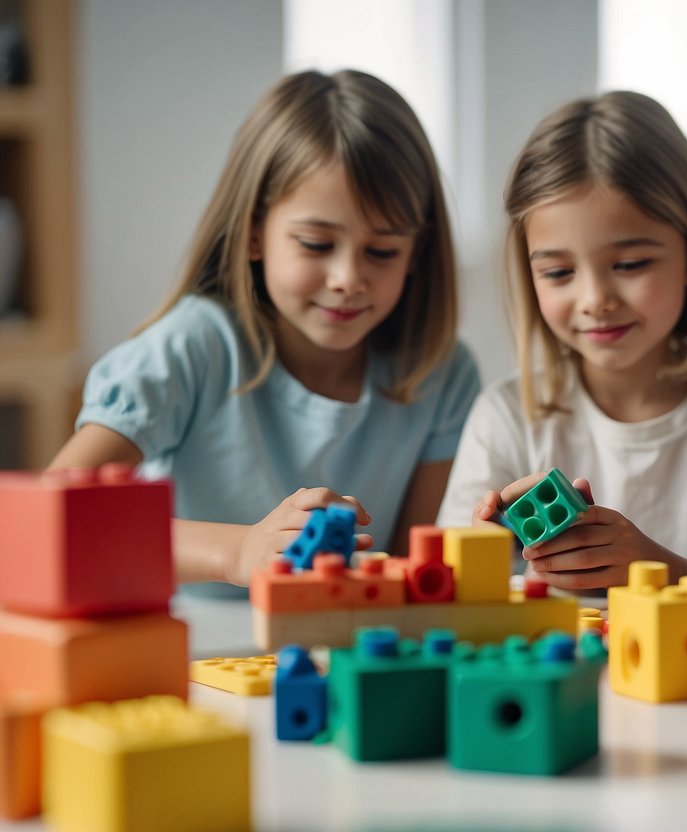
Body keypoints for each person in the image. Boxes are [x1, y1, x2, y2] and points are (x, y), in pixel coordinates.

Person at [48, 70, 479, 589]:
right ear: (254, 232)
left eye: (382, 251)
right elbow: (54, 513)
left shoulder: (440, 372)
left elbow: (416, 568)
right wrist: (237, 552)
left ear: (417, 251)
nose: (348, 279)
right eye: (317, 244)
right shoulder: (189, 348)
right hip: (181, 652)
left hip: (338, 653)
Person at [437, 91, 687, 590]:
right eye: (559, 271)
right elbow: (445, 590)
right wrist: (483, 553)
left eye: (629, 265)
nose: (595, 298)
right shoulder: (505, 417)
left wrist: (652, 567)